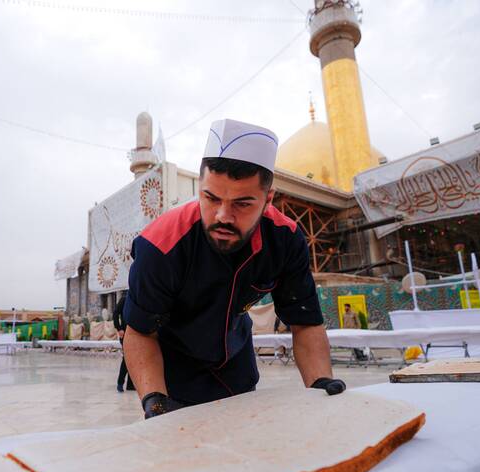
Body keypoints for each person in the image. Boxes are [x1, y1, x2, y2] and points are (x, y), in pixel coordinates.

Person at [123, 118, 345, 419]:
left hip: (237, 372)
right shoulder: (161, 245)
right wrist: (155, 402)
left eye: (242, 204)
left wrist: (319, 384)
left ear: (267, 199)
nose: (223, 217)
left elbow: (305, 323)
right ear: (201, 187)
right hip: (172, 377)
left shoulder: (285, 239)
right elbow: (140, 333)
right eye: (211, 198)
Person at [113, 293, 135, 392]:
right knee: (127, 358)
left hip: (136, 334)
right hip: (125, 334)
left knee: (134, 359)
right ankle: (120, 382)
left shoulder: (138, 300)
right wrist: (119, 328)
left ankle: (130, 385)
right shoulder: (124, 299)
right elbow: (115, 313)